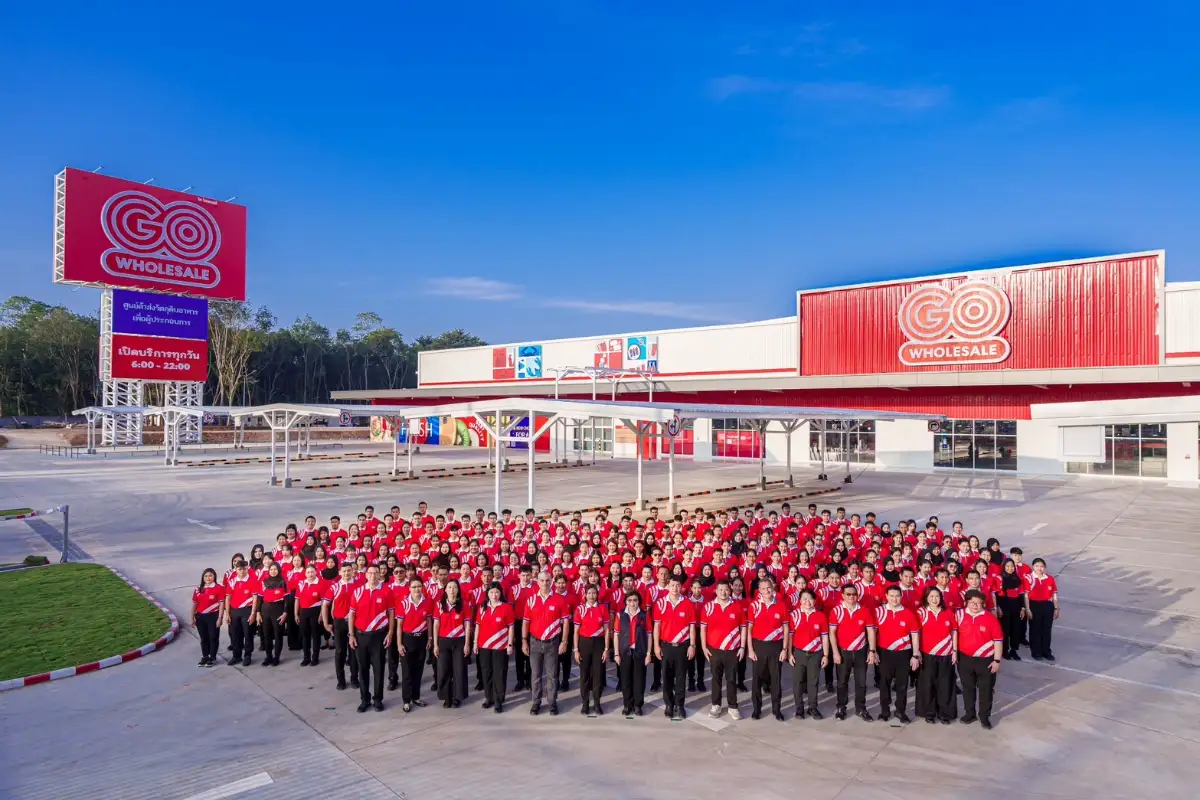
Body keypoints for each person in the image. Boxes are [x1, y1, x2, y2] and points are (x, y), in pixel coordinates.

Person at [522, 570, 571, 716]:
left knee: (552, 675)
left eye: (548, 580)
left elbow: (566, 622)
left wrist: (564, 641)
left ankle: (552, 702)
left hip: (552, 643)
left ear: (552, 582)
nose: (545, 583)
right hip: (535, 642)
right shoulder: (531, 600)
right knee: (535, 675)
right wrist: (524, 641)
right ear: (537, 582)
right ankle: (536, 702)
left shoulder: (560, 600)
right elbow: (525, 622)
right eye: (542, 580)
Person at [348, 564, 394, 713]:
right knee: (363, 669)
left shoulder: (386, 591)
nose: (373, 576)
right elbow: (352, 615)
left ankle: (378, 699)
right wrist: (351, 635)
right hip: (360, 636)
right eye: (370, 573)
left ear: (380, 575)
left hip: (379, 636)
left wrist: (390, 632)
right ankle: (364, 699)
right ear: (366, 575)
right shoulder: (358, 592)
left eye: (376, 573)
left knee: (379, 668)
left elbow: (391, 614)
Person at [956, 589, 1003, 729]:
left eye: (978, 603)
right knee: (968, 688)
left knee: (986, 689)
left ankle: (984, 716)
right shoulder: (959, 615)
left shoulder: (990, 618)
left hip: (986, 661)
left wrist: (997, 660)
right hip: (965, 659)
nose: (975, 605)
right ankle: (969, 713)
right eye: (971, 602)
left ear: (983, 603)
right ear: (967, 603)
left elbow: (998, 640)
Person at [829, 583, 876, 721]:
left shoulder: (865, 611)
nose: (851, 597)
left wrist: (872, 651)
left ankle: (861, 708)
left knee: (861, 682)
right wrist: (835, 653)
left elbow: (870, 632)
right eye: (848, 594)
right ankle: (841, 708)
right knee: (842, 682)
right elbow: (832, 633)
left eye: (854, 594)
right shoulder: (836, 611)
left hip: (861, 651)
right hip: (843, 652)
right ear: (843, 595)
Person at [701, 579, 747, 720]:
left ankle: (733, 706)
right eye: (720, 590)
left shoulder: (737, 607)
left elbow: (743, 628)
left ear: (730, 590)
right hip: (714, 650)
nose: (723, 592)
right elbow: (703, 629)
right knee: (716, 678)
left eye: (726, 589)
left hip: (732, 649)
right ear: (716, 591)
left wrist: (743, 646)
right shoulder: (708, 607)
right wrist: (703, 647)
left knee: (731, 678)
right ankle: (716, 705)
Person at [653, 576, 697, 721]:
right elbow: (657, 627)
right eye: (672, 585)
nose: (675, 588)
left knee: (680, 677)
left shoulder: (688, 603)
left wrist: (692, 645)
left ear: (681, 587)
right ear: (668, 587)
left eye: (678, 585)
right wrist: (656, 646)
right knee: (666, 677)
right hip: (666, 646)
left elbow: (692, 627)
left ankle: (680, 704)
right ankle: (669, 704)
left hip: (683, 646)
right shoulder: (660, 603)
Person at [875, 585, 920, 723]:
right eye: (892, 596)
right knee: (884, 683)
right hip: (884, 653)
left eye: (897, 596)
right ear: (886, 597)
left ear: (901, 597)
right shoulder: (879, 612)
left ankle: (900, 711)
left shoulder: (909, 614)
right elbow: (872, 633)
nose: (894, 599)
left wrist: (915, 655)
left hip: (903, 654)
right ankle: (884, 710)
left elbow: (915, 636)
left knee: (902, 685)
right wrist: (874, 651)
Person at [747, 579, 789, 721]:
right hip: (759, 646)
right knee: (757, 680)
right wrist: (751, 649)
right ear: (759, 590)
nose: (767, 591)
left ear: (773, 588)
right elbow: (749, 629)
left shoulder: (781, 606)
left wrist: (784, 649)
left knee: (776, 680)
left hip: (776, 646)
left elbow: (786, 629)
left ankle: (776, 710)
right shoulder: (754, 606)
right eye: (763, 588)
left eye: (769, 587)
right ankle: (756, 709)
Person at [916, 586, 957, 724]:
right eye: (931, 596)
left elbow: (954, 632)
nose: (934, 599)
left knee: (945, 685)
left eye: (937, 596)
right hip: (927, 654)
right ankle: (929, 713)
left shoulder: (948, 612)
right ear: (926, 598)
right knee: (928, 685)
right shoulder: (921, 612)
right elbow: (916, 634)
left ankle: (945, 714)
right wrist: (917, 653)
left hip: (946, 654)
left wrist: (955, 651)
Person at [788, 588, 829, 720]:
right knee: (798, 682)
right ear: (800, 600)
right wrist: (789, 653)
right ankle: (799, 709)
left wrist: (826, 655)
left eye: (810, 599)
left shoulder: (821, 616)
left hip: (815, 654)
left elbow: (825, 637)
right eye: (804, 598)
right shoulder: (794, 615)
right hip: (799, 653)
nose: (807, 601)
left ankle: (813, 707)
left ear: (814, 601)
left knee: (813, 682)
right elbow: (789, 636)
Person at [395, 577, 435, 712]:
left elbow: (429, 621)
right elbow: (399, 625)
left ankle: (416, 697)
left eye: (419, 586)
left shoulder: (427, 602)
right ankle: (406, 700)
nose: (417, 589)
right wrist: (399, 644)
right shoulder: (404, 603)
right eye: (414, 587)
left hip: (421, 640)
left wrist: (429, 638)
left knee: (418, 670)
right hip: (407, 640)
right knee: (407, 672)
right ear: (409, 588)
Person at [475, 581, 514, 712]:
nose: (494, 595)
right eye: (491, 592)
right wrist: (475, 643)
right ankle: (489, 698)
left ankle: (498, 699)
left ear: (500, 593)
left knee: (499, 673)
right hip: (484, 646)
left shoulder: (506, 607)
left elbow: (511, 627)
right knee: (486, 673)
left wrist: (509, 644)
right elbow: (478, 626)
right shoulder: (482, 607)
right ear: (487, 594)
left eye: (497, 592)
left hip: (500, 646)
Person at [433, 579, 472, 708]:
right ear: (445, 590)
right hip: (444, 641)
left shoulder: (464, 605)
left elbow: (467, 625)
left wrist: (467, 644)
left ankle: (457, 697)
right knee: (444, 670)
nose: (452, 590)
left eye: (455, 587)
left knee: (459, 670)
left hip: (459, 641)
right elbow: (436, 625)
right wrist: (435, 644)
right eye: (449, 587)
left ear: (458, 590)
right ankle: (446, 697)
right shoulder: (439, 605)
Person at [322, 562, 361, 690]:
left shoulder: (359, 585)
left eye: (349, 570)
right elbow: (325, 605)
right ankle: (341, 680)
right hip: (339, 623)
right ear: (340, 572)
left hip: (355, 623)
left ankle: (354, 678)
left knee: (354, 651)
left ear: (352, 571)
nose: (346, 573)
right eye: (344, 571)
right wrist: (326, 622)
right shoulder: (335, 587)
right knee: (340, 652)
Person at [614, 590, 652, 716]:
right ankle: (627, 705)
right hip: (625, 652)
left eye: (635, 600)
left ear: (639, 602)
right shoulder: (620, 615)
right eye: (629, 600)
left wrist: (648, 653)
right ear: (625, 601)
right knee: (625, 680)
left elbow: (649, 635)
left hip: (640, 651)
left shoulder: (644, 615)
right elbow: (616, 635)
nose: (632, 603)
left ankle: (637, 705)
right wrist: (616, 654)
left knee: (639, 680)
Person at [573, 583, 610, 715]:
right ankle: (585, 703)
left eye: (594, 593)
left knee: (598, 674)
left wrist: (606, 649)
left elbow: (606, 630)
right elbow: (576, 631)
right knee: (585, 675)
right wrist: (576, 649)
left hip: (599, 644)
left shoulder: (602, 608)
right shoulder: (580, 609)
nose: (591, 596)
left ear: (597, 594)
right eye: (589, 593)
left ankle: (597, 702)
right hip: (584, 643)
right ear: (585, 595)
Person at [224, 559, 261, 667]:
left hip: (247, 610)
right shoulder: (232, 581)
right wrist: (227, 614)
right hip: (234, 611)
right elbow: (228, 598)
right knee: (235, 634)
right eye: (239, 569)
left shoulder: (253, 581)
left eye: (244, 569)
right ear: (235, 569)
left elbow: (255, 598)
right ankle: (236, 656)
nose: (242, 571)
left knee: (248, 633)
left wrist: (253, 613)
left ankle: (247, 655)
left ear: (247, 569)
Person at [1024, 558, 1059, 662]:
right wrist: (1027, 609)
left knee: (1047, 629)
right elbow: (1026, 595)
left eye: (1042, 566)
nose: (1039, 568)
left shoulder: (1050, 578)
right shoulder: (1029, 578)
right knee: (1035, 629)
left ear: (1045, 567)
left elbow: (1054, 594)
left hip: (1047, 605)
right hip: (1034, 605)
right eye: (1037, 566)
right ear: (1033, 567)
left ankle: (1046, 651)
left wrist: (1056, 608)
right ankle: (1036, 652)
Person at [294, 564, 327, 667]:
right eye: (308, 572)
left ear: (316, 572)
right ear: (305, 573)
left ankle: (315, 658)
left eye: (312, 572)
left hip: (315, 611)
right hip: (304, 612)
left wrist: (322, 614)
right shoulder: (301, 584)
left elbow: (323, 602)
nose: (310, 574)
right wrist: (296, 614)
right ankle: (306, 657)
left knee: (315, 635)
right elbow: (297, 600)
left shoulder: (321, 583)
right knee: (305, 636)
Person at [192, 568, 225, 667]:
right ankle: (205, 656)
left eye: (210, 575)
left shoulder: (219, 588)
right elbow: (194, 604)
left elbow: (222, 604)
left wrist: (220, 618)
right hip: (200, 617)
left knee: (213, 637)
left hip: (213, 616)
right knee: (204, 638)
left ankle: (212, 657)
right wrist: (192, 618)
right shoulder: (198, 589)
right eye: (206, 576)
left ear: (214, 576)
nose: (208, 578)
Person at [258, 564, 288, 666]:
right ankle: (268, 656)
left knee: (278, 635)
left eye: (275, 569)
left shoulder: (282, 582)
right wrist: (258, 613)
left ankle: (276, 657)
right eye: (271, 569)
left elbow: (287, 600)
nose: (273, 571)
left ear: (278, 570)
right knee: (267, 635)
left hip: (278, 610)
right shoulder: (264, 582)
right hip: (265, 610)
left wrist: (285, 613)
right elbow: (260, 599)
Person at [996, 559, 1027, 660]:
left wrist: (1023, 608)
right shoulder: (999, 578)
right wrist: (998, 607)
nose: (1010, 568)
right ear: (1004, 567)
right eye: (1008, 566)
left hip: (1016, 606)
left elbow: (1021, 594)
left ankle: (1014, 650)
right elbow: (995, 594)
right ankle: (1005, 651)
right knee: (1005, 629)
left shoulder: (1017, 579)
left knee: (1015, 629)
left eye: (1012, 566)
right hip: (1004, 605)